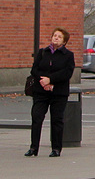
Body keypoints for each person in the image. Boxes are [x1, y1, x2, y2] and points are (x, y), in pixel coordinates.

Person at [26, 27, 75, 158]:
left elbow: (67, 73)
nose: (56, 38)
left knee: (57, 120)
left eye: (59, 37)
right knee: (36, 117)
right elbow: (34, 69)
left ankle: (56, 148)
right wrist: (43, 81)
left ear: (64, 42)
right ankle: (33, 147)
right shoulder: (43, 52)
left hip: (58, 93)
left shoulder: (68, 55)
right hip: (41, 91)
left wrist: (51, 80)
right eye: (54, 35)